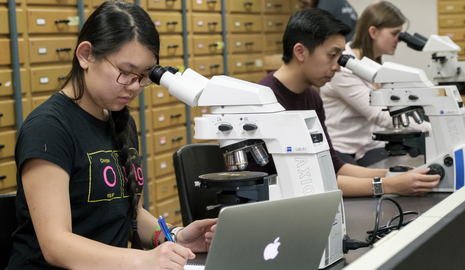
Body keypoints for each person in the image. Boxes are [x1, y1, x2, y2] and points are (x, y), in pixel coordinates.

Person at [7, 2, 216, 269]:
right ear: (85, 55)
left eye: (143, 77)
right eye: (126, 73)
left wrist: (174, 236)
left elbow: (129, 215)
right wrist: (145, 259)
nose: (134, 86)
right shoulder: (48, 128)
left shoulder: (121, 122)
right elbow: (56, 245)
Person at [249, 8, 440, 197]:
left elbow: (333, 165)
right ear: (300, 52)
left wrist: (395, 174)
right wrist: (389, 184)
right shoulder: (264, 102)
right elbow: (296, 182)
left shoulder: (312, 96)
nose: (338, 68)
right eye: (332, 56)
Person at [320, 1, 431, 167]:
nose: (398, 40)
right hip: (342, 148)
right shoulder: (344, 66)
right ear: (373, 32)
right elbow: (380, 115)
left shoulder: (377, 62)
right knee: (375, 183)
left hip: (370, 145)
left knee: (405, 169)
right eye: (395, 34)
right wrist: (434, 129)